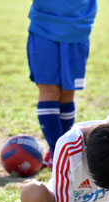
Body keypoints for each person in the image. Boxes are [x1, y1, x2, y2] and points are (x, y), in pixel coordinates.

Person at [27, 0, 98, 166]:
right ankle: (60, 156)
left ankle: (60, 156)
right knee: (50, 91)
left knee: (67, 94)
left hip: (78, 28)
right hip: (45, 26)